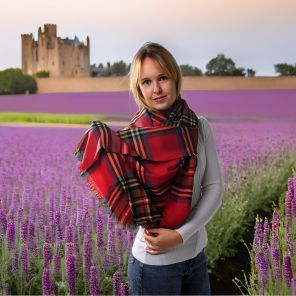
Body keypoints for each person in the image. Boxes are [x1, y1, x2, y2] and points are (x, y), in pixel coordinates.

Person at [75, 42, 224, 295]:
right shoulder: (129, 141)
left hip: (196, 257)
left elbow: (214, 187)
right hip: (154, 265)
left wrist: (181, 235)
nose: (156, 89)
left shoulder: (199, 127)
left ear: (175, 78)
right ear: (138, 88)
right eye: (146, 82)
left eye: (163, 78)